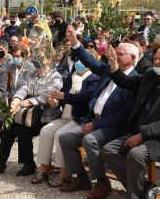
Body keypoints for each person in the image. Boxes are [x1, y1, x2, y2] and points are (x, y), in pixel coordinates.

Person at [101, 45, 160, 198]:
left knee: (136, 155)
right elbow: (125, 82)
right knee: (109, 150)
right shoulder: (151, 76)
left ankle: (134, 195)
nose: (156, 62)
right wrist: (113, 64)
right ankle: (145, 187)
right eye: (155, 58)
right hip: (141, 131)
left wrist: (143, 135)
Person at [58, 26, 138, 197]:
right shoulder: (108, 71)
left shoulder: (135, 80)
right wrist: (75, 43)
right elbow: (90, 62)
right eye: (113, 52)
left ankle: (102, 183)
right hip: (93, 120)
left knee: (90, 140)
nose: (113, 56)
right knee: (66, 138)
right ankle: (82, 178)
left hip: (114, 126)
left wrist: (96, 125)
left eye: (118, 54)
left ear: (132, 59)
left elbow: (124, 115)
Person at [0, 47, 62, 177]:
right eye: (35, 56)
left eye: (40, 56)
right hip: (29, 115)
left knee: (23, 131)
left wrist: (22, 104)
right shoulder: (32, 74)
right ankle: (1, 162)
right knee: (9, 126)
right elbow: (23, 90)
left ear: (49, 59)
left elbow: (45, 97)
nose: (36, 59)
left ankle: (28, 163)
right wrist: (14, 103)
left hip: (45, 116)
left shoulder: (55, 76)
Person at [33, 49, 99, 186]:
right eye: (78, 59)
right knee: (46, 131)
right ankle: (44, 168)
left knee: (60, 135)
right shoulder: (72, 75)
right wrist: (56, 102)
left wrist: (63, 96)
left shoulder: (94, 78)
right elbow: (62, 96)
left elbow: (86, 98)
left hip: (80, 118)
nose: (79, 62)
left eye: (83, 60)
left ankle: (65, 173)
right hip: (65, 116)